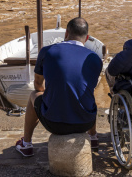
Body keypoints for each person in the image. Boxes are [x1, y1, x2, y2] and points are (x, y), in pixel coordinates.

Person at [15, 18, 103, 157]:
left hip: (54, 124)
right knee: (88, 93)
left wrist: (53, 96)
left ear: (66, 33)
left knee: (34, 95)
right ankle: (93, 138)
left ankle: (26, 144)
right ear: (87, 38)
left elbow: (38, 85)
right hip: (86, 122)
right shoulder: (95, 58)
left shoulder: (47, 51)